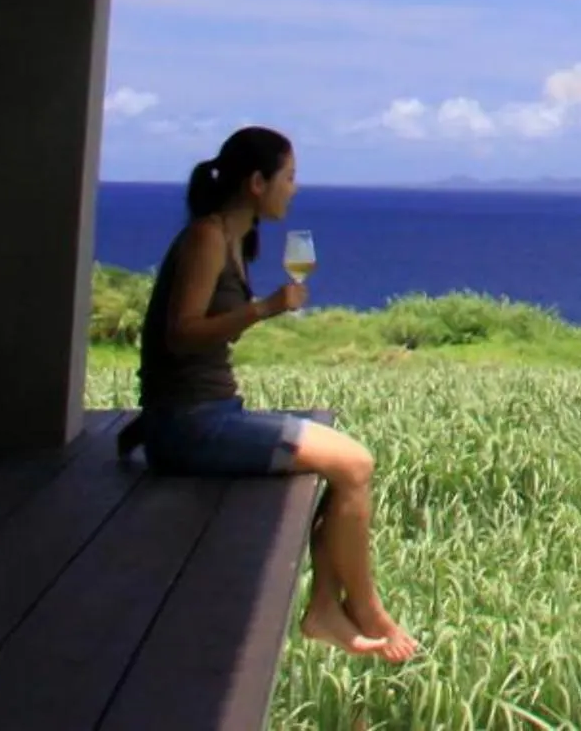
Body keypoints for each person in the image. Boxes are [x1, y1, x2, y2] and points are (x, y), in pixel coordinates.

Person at [130, 126, 420, 661]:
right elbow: (181, 333)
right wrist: (264, 308)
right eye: (289, 177)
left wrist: (259, 309)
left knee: (337, 454)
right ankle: (364, 610)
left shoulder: (232, 240)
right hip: (188, 425)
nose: (295, 188)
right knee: (355, 464)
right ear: (257, 182)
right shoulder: (207, 238)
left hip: (203, 414)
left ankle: (325, 609)